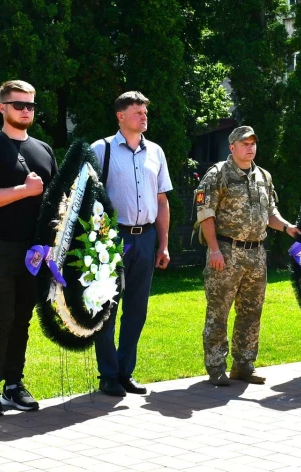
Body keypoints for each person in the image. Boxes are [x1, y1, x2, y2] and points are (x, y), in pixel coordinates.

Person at [0, 80, 57, 415]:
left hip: (35, 249)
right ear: (2, 107)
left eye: (30, 105)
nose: (25, 110)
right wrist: (23, 190)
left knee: (22, 317)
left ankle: (13, 385)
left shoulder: (44, 150)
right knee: (1, 317)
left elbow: (55, 201)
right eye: (18, 104)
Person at [196, 126, 300, 386]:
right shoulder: (218, 175)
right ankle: (216, 367)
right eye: (244, 143)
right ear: (232, 147)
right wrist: (214, 250)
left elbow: (270, 214)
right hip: (226, 252)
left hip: (256, 254)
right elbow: (205, 214)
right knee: (218, 312)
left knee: (251, 312)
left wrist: (287, 227)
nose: (250, 147)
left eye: (253, 142)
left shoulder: (263, 176)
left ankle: (244, 365)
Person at [92, 91, 172, 397]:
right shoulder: (103, 149)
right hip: (113, 239)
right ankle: (108, 374)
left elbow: (162, 201)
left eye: (145, 112)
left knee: (137, 309)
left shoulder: (156, 152)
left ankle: (126, 372)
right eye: (137, 112)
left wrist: (163, 244)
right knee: (107, 310)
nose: (144, 117)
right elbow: (88, 199)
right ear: (120, 116)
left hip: (147, 236)